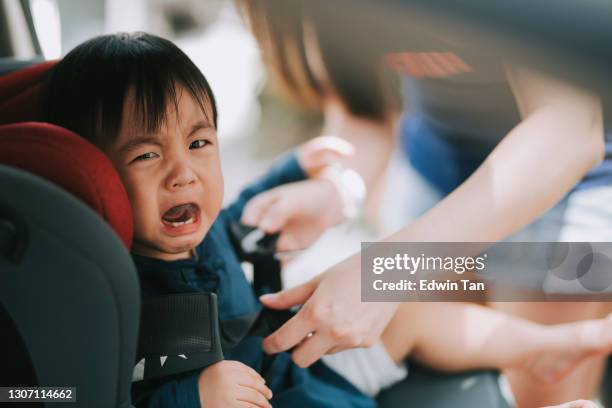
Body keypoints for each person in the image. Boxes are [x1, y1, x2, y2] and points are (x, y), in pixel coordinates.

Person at [40, 32, 612, 407]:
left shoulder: (190, 224)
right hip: (435, 182)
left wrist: (297, 181)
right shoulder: (97, 279)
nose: (182, 174)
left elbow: (571, 130)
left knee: (412, 307)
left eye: (200, 144)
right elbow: (55, 393)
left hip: (568, 178)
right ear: (92, 169)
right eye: (146, 155)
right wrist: (340, 187)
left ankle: (543, 345)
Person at [237, 1, 611, 405]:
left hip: (573, 188)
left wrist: (392, 267)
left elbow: (571, 132)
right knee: (441, 369)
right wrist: (336, 190)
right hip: (434, 173)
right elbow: (362, 111)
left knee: (539, 386)